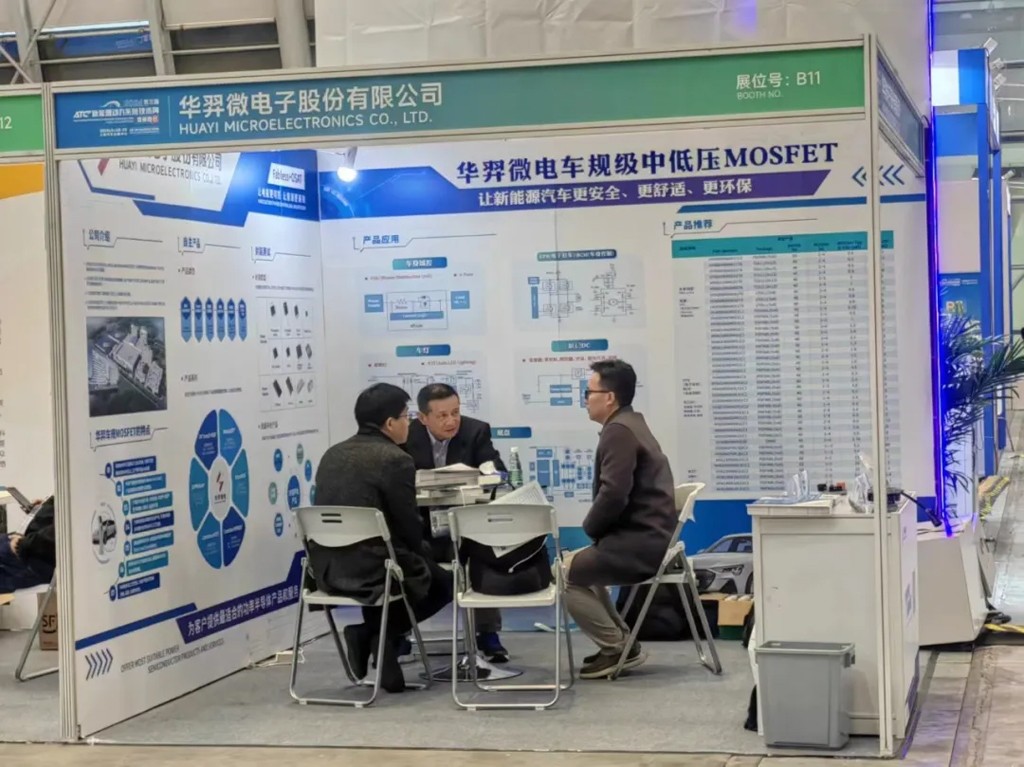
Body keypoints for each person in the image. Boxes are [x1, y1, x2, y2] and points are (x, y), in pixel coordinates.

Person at [310, 383, 452, 693]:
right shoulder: (395, 459)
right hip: (374, 571)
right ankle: (375, 634)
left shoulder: (332, 454)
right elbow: (408, 526)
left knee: (391, 561)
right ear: (390, 423)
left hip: (329, 569)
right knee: (444, 583)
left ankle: (375, 638)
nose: (409, 424)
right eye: (406, 417)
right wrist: (427, 553)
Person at [563, 360, 678, 679]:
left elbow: (614, 493)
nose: (586, 399)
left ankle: (615, 647)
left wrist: (591, 528)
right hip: (648, 538)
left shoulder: (619, 432)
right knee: (579, 568)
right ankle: (621, 644)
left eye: (589, 392)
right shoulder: (631, 423)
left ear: (609, 397)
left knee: (562, 574)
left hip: (638, 544)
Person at [404, 383, 509, 663]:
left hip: (464, 527)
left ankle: (487, 633)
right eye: (442, 416)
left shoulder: (476, 431)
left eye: (456, 412)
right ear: (423, 417)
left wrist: (484, 476)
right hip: (421, 529)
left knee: (481, 554)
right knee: (402, 555)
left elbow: (497, 471)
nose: (451, 421)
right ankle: (398, 633)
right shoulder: (406, 435)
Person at [1, 496, 55, 595]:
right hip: (31, 546)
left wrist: (23, 545)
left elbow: (57, 535)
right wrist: (43, 511)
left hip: (33, 552)